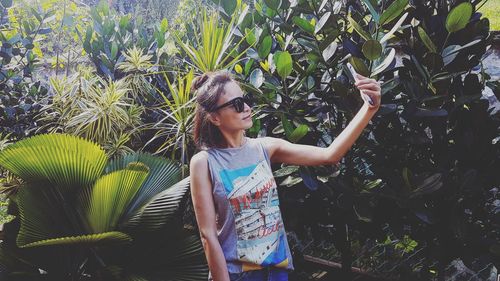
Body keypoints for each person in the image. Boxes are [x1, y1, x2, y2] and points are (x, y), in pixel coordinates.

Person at [189, 70, 381, 281]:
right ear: (214, 117)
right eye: (236, 104)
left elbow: (330, 155)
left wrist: (369, 109)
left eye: (246, 100)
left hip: (277, 270)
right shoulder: (205, 162)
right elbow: (208, 235)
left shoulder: (265, 148)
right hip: (238, 275)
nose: (246, 108)